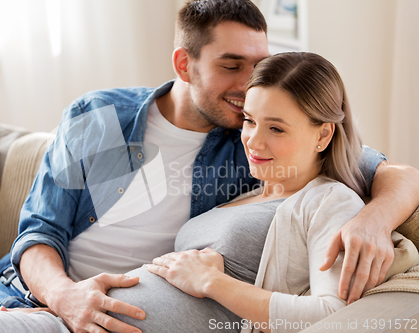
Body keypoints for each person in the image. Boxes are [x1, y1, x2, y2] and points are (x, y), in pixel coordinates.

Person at [0, 1, 418, 333]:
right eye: (231, 65)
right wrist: (66, 297)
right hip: (26, 290)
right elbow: (38, 232)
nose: (251, 83)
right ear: (184, 64)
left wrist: (372, 221)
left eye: (259, 63)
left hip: (105, 313)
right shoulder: (99, 116)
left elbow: (383, 170)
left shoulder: (256, 145)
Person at [104, 50, 371, 333]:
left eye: (276, 128)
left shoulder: (330, 201)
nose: (253, 142)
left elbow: (332, 317)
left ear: (323, 135)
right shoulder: (246, 191)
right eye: (250, 120)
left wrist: (211, 281)